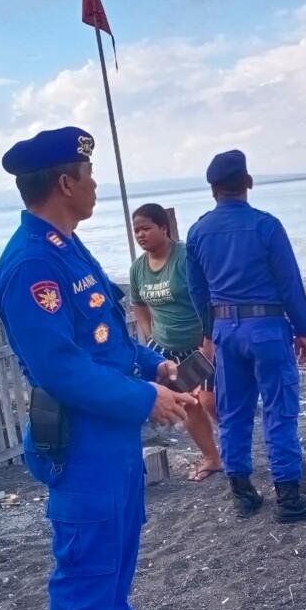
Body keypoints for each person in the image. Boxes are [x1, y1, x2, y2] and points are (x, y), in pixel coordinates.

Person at [0, 126, 195, 610]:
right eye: (88, 174)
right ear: (66, 183)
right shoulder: (33, 263)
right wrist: (146, 399)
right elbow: (59, 368)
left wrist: (155, 366)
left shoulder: (66, 247)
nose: (95, 184)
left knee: (115, 576)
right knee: (86, 584)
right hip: (82, 445)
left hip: (114, 441)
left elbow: (106, 339)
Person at [185, 149, 306, 523]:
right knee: (280, 410)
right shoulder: (266, 226)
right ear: (248, 183)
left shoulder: (198, 231)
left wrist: (209, 332)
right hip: (266, 328)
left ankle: (242, 493)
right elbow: (289, 281)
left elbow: (197, 291)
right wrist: (304, 330)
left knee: (233, 412)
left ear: (213, 189)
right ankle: (288, 498)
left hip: (225, 330)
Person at [130, 202, 224, 482]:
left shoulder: (185, 257)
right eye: (136, 230)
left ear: (164, 227)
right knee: (188, 404)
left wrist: (209, 341)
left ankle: (237, 447)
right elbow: (138, 304)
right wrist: (149, 336)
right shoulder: (138, 269)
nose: (141, 235)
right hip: (165, 349)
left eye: (146, 228)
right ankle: (213, 459)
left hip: (202, 345)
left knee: (210, 402)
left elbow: (211, 297)